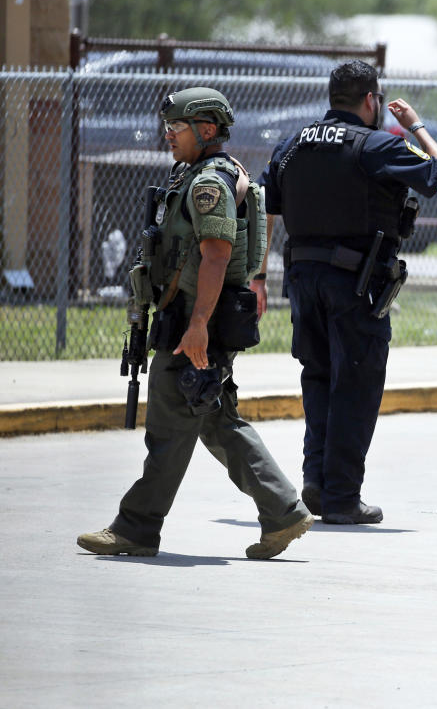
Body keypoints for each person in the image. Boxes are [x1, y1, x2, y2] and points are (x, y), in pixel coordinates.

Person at [77, 87, 312, 560]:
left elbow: (216, 255)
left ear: (206, 130)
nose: (167, 135)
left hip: (194, 323)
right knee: (216, 420)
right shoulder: (198, 174)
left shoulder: (210, 183)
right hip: (190, 319)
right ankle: (283, 511)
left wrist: (198, 324)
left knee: (169, 426)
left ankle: (137, 528)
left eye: (176, 127)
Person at [256, 60, 437, 525]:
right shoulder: (376, 144)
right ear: (371, 101)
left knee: (318, 379)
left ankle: (316, 483)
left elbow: (264, 206)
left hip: (302, 282)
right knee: (356, 386)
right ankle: (343, 497)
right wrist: (417, 126)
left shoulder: (292, 146)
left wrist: (257, 276)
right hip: (356, 285)